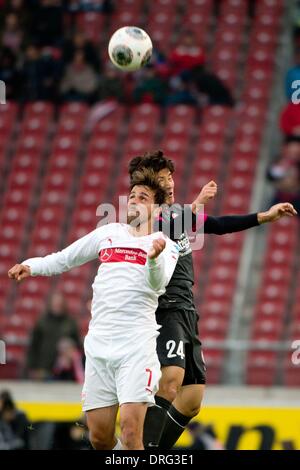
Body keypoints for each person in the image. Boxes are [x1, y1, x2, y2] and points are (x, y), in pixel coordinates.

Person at [128, 150, 297, 449]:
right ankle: (139, 449)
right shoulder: (147, 218)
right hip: (164, 311)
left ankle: (151, 448)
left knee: (191, 400)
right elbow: (169, 226)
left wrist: (264, 217)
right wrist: (197, 204)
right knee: (170, 382)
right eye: (163, 179)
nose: (170, 184)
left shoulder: (177, 214)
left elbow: (217, 224)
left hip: (186, 313)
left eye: (171, 178)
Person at [8, 169, 179, 451]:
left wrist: (152, 260)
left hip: (135, 347)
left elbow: (157, 284)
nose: (134, 201)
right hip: (99, 347)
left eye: (143, 197)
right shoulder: (109, 233)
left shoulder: (166, 247)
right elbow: (65, 258)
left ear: (157, 207)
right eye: (132, 195)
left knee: (131, 430)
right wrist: (32, 265)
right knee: (99, 437)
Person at [25, 291, 81, 381]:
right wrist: (32, 368)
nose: (57, 306)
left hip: (64, 373)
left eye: (59, 304)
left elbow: (78, 346)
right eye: (55, 303)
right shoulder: (41, 322)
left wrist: (71, 355)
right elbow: (33, 346)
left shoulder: (70, 323)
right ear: (50, 304)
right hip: (43, 370)